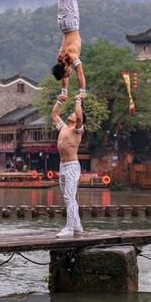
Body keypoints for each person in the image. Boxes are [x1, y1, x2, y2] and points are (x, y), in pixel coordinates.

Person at [51, 0, 86, 100]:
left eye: (67, 73)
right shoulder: (60, 59)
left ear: (65, 68)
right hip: (63, 25)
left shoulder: (70, 56)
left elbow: (79, 73)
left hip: (71, 23)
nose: (68, 75)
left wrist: (82, 92)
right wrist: (64, 92)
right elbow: (63, 74)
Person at [52, 92, 85, 237]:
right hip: (62, 165)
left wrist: (78, 101)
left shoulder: (77, 130)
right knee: (67, 197)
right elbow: (54, 115)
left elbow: (79, 116)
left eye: (73, 113)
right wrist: (59, 101)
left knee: (69, 197)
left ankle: (69, 227)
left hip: (72, 166)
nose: (71, 114)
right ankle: (77, 225)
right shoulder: (63, 128)